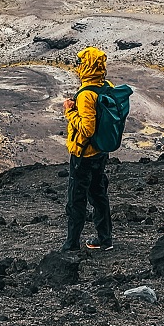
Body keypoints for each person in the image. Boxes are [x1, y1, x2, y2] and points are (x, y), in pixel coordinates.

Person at [61, 46, 114, 253]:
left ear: (88, 66)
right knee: (99, 195)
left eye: (82, 63)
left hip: (83, 154)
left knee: (76, 199)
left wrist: (69, 112)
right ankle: (105, 239)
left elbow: (87, 128)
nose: (79, 66)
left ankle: (71, 244)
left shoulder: (86, 95)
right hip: (101, 152)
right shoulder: (106, 86)